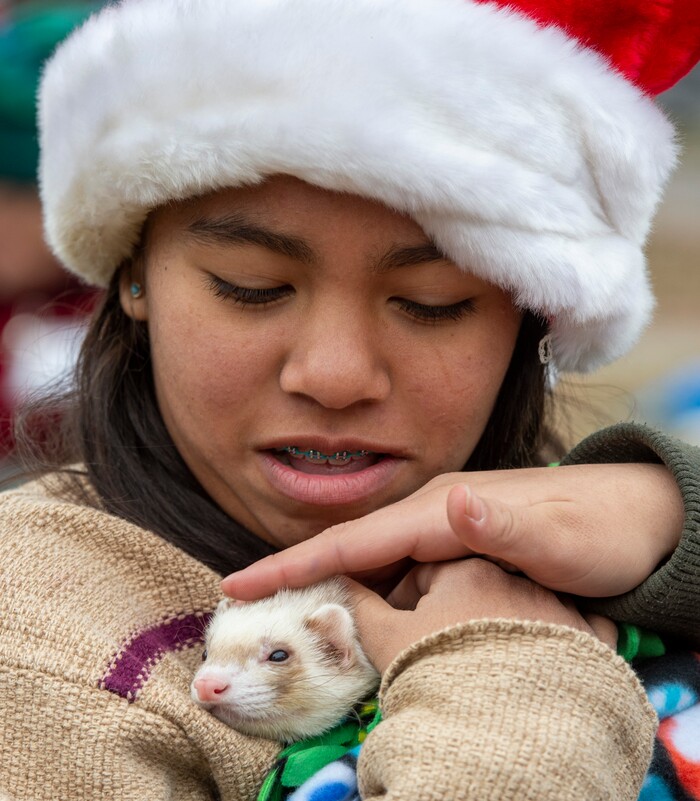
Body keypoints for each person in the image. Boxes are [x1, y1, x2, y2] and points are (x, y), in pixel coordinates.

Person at [1, 0, 699, 799]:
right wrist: (509, 667)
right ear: (133, 275)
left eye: (433, 301)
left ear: (531, 315)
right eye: (250, 287)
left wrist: (674, 513)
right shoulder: (38, 652)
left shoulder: (602, 532)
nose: (334, 376)